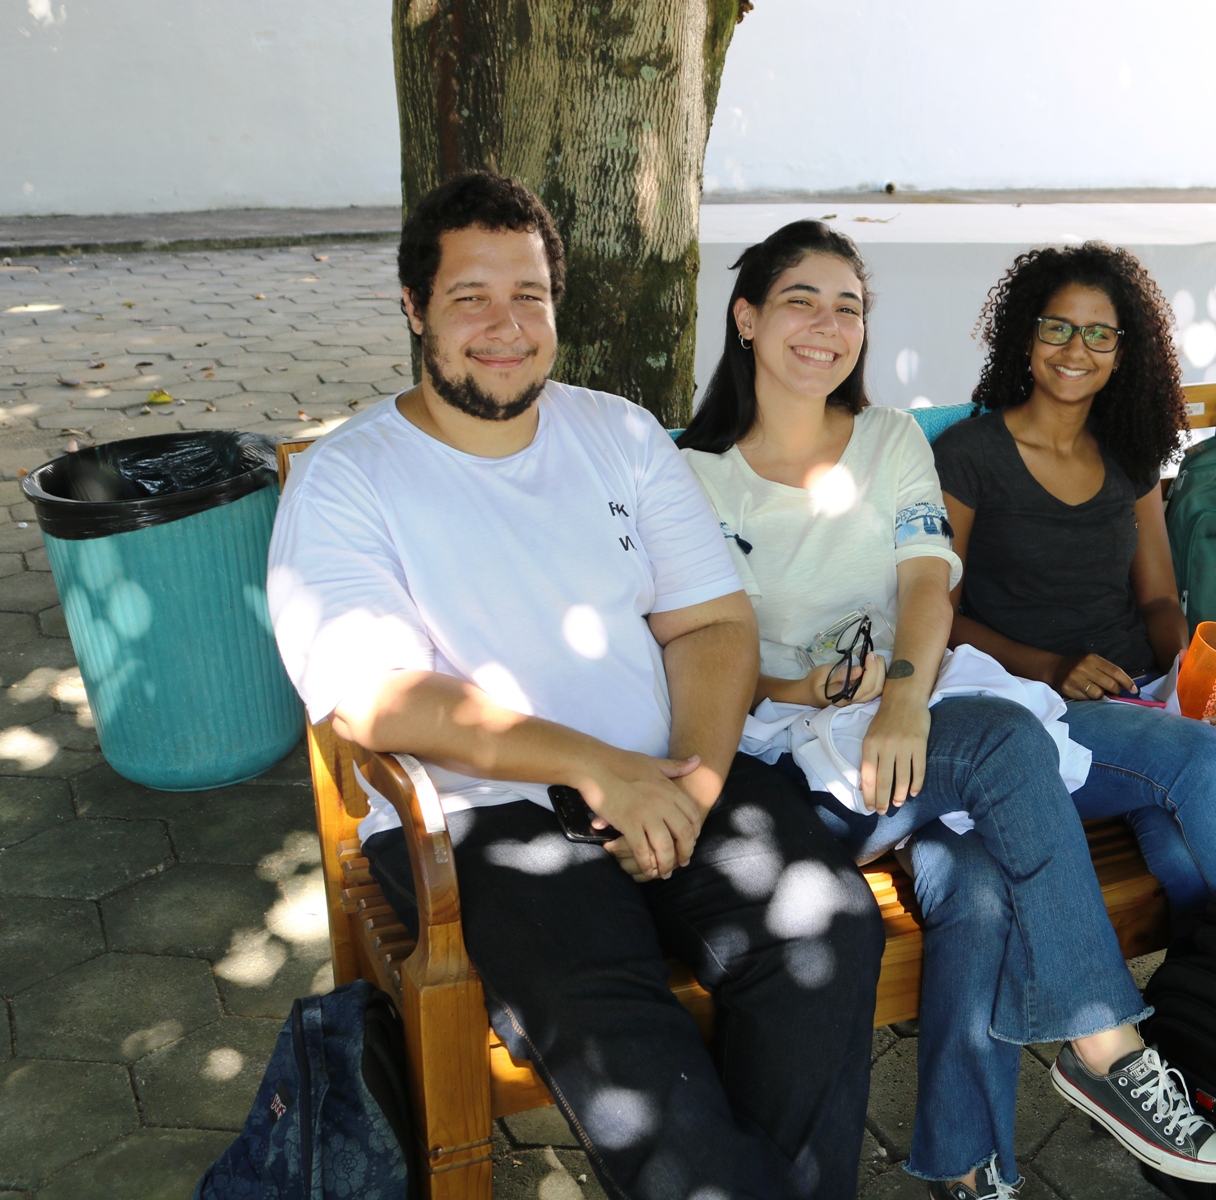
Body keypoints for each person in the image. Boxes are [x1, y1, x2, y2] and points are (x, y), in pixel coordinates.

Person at [267, 173, 886, 1200]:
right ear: (415, 308)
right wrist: (601, 771)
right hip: (484, 820)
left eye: (530, 295)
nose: (505, 327)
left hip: (673, 771)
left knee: (824, 925)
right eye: (470, 297)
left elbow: (713, 623)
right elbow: (379, 698)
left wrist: (690, 782)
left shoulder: (620, 435)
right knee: (623, 1030)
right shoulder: (351, 479)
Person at [676, 220, 1216, 1200]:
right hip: (784, 765)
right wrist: (806, 687)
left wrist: (903, 695)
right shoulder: (696, 475)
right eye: (801, 301)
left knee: (976, 883)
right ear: (748, 318)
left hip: (905, 733)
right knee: (1007, 741)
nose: (827, 325)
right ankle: (1105, 1047)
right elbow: (696, 646)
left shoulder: (891, 439)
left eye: (848, 306)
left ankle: (971, 1169)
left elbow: (927, 579)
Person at [933, 241, 1216, 947]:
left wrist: (1186, 672)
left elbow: (1160, 603)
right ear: (1025, 335)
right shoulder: (969, 454)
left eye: (1099, 334)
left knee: (1187, 857)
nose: (1075, 349)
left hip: (1144, 704)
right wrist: (1052, 666)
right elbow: (939, 615)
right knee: (1200, 765)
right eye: (1057, 327)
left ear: (1123, 351)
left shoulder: (1129, 452)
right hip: (1036, 713)